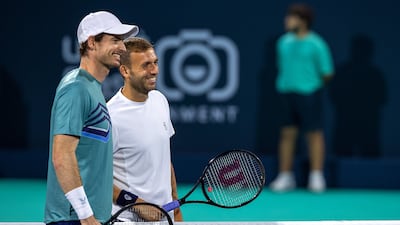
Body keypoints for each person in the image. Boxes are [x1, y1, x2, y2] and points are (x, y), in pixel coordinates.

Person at [44, 11, 138, 225]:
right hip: (74, 219)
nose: (123, 48)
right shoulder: (76, 88)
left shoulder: (92, 88)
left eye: (122, 41)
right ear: (92, 42)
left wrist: (132, 201)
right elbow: (62, 157)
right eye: (115, 40)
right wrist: (86, 217)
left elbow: (94, 170)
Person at [107, 37, 183, 221]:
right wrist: (136, 203)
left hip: (166, 217)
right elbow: (95, 177)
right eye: (146, 65)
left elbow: (164, 160)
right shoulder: (110, 117)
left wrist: (176, 208)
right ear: (125, 70)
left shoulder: (160, 100)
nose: (154, 70)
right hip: (126, 219)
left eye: (155, 63)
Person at [270, 3, 334, 193]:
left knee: (314, 135)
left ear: (303, 21)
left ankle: (316, 176)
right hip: (286, 93)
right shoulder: (283, 42)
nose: (286, 21)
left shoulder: (317, 44)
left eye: (291, 17)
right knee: (287, 134)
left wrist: (311, 84)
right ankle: (285, 176)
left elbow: (327, 72)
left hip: (309, 93)